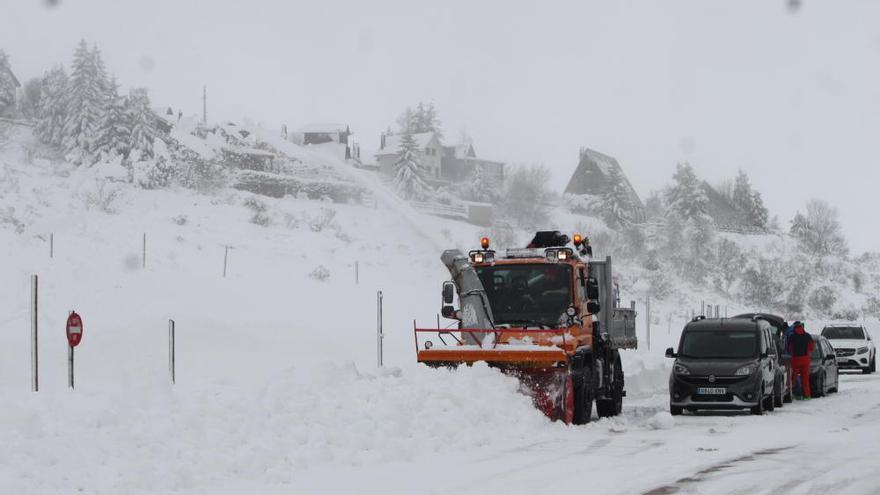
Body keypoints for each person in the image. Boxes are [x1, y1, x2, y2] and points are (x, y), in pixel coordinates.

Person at [787, 321, 815, 400]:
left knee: (794, 378)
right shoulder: (807, 335)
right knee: (805, 379)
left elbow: (789, 348)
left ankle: (797, 395)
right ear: (801, 327)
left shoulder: (792, 336)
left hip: (795, 359)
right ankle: (807, 395)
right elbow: (812, 347)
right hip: (805, 359)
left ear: (794, 328)